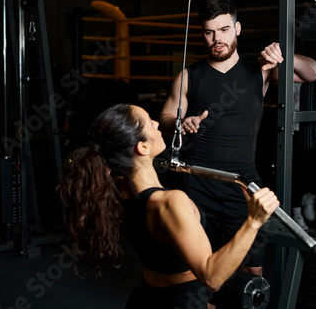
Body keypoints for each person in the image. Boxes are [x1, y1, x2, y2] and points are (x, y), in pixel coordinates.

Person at [159, 0, 316, 277]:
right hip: (198, 182)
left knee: (251, 272)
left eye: (224, 30)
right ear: (203, 34)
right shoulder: (189, 76)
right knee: (201, 272)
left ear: (237, 29)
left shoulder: (260, 68)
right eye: (209, 32)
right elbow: (164, 118)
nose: (217, 39)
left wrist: (286, 54)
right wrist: (180, 122)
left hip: (242, 183)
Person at [57, 103, 279, 309]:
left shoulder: (114, 189)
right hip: (181, 301)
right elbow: (212, 278)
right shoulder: (170, 202)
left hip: (145, 298)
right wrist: (254, 221)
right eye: (149, 122)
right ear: (143, 147)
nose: (156, 123)